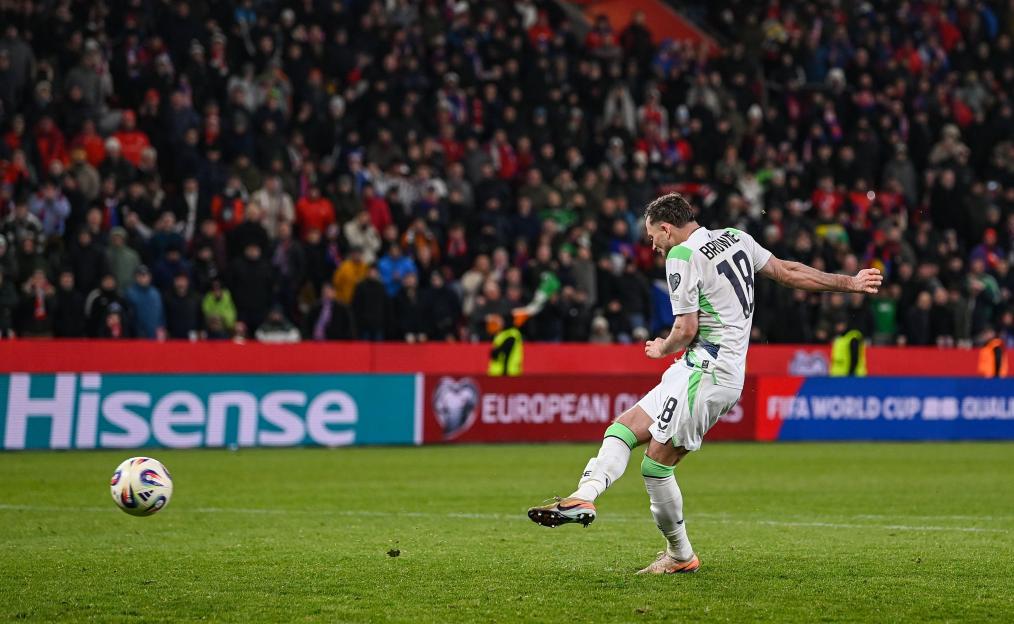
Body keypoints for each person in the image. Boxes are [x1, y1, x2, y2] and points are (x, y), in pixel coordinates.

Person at [527, 193, 882, 574]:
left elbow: (686, 328)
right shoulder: (736, 237)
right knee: (624, 428)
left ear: (666, 228)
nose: (653, 246)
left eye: (653, 237)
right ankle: (584, 497)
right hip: (697, 366)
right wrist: (849, 282)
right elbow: (787, 271)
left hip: (709, 373)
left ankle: (680, 556)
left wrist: (661, 347)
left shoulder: (682, 256)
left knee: (656, 466)